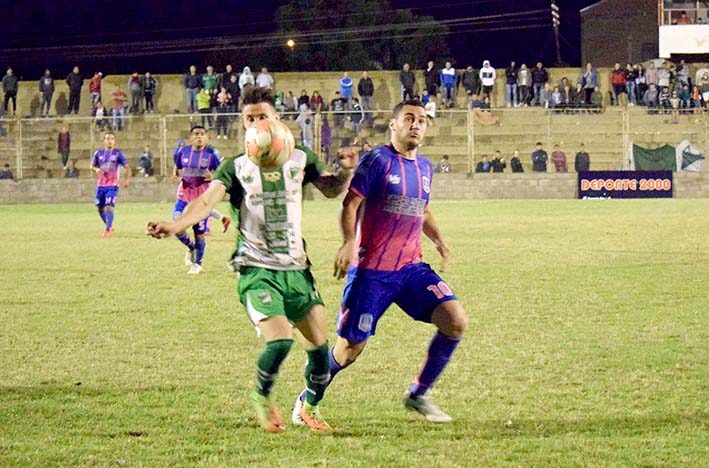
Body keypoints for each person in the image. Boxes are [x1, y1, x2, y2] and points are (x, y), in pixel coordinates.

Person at [147, 86, 358, 433]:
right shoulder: (236, 167)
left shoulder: (301, 157)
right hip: (256, 269)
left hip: (296, 269)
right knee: (279, 341)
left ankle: (309, 407)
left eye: (262, 116)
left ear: (276, 119)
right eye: (250, 118)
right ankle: (262, 396)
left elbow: (332, 189)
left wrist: (346, 171)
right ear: (243, 125)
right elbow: (205, 202)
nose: (257, 122)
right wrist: (174, 225)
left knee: (321, 355)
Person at [293, 99, 467, 425]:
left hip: (411, 269)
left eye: (421, 121)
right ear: (393, 125)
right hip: (372, 271)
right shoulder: (377, 160)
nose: (416, 125)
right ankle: (307, 398)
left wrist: (439, 240)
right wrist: (348, 242)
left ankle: (418, 394)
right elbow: (350, 203)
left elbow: (423, 209)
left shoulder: (425, 167)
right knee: (349, 350)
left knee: (455, 321)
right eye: (409, 119)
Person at [169, 126, 221, 274]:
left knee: (199, 232)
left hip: (201, 198)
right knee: (177, 227)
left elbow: (220, 172)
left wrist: (213, 176)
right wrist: (174, 175)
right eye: (196, 134)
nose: (199, 137)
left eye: (202, 134)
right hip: (184, 195)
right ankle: (191, 247)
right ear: (191, 137)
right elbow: (177, 166)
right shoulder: (183, 152)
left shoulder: (211, 154)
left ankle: (197, 264)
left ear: (207, 137)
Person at [90, 131, 131, 238]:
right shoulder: (98, 153)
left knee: (108, 206)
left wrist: (126, 180)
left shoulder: (118, 153)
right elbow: (92, 166)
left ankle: (107, 230)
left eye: (112, 139)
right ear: (104, 141)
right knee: (99, 208)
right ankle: (109, 225)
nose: (110, 141)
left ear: (114, 141)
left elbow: (127, 167)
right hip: (101, 185)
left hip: (112, 185)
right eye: (108, 139)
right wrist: (97, 169)